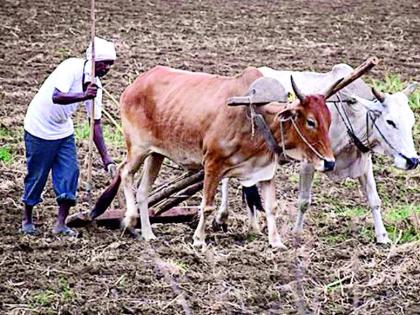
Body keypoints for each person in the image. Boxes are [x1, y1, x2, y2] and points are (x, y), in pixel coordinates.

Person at [21, 37, 117, 236]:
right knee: (37, 175)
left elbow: (95, 124)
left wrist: (106, 159)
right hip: (39, 127)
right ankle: (27, 218)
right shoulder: (70, 67)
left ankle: (60, 224)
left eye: (111, 64)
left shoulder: (95, 88)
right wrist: (84, 96)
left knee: (69, 173)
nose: (107, 68)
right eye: (103, 63)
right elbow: (57, 97)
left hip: (63, 130)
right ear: (92, 61)